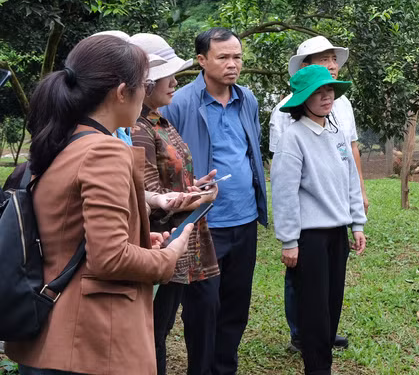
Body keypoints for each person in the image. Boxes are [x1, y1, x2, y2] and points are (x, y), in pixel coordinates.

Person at [5, 35, 193, 375]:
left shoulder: (61, 141)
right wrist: (167, 258)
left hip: (49, 335)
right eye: (145, 84)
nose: (146, 93)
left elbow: (67, 233)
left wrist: (139, 242)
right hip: (90, 344)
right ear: (122, 92)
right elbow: (109, 258)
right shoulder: (104, 151)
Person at [160, 27, 267, 375]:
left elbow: (251, 151)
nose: (232, 64)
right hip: (203, 223)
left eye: (237, 57)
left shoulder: (246, 99)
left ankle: (225, 368)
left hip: (244, 219)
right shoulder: (180, 104)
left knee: (236, 305)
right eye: (223, 57)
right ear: (202, 60)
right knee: (203, 308)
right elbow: (164, 161)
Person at [130, 33, 222, 375]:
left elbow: (165, 183)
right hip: (162, 239)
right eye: (167, 75)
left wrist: (194, 187)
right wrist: (200, 197)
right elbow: (147, 195)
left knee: (168, 324)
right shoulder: (139, 128)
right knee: (155, 330)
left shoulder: (159, 119)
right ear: (146, 82)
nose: (174, 81)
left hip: (180, 236)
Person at [269, 35, 368, 351]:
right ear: (304, 68)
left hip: (336, 210)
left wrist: (358, 200)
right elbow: (284, 175)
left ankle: (323, 330)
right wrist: (289, 235)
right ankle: (301, 332)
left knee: (331, 279)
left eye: (333, 58)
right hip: (306, 219)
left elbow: (350, 151)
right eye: (323, 59)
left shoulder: (343, 104)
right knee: (301, 277)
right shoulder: (285, 112)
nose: (332, 65)